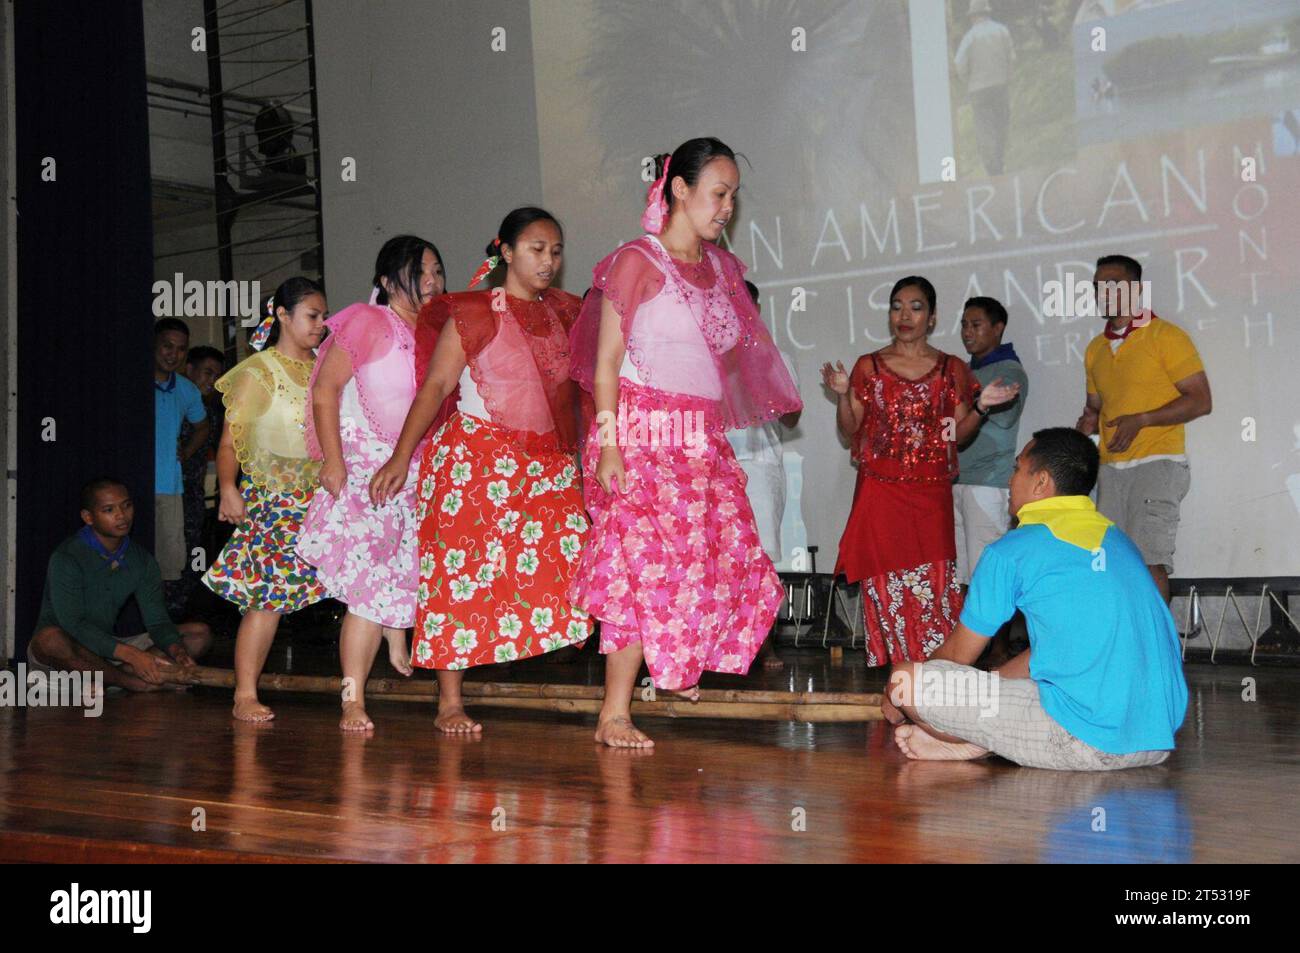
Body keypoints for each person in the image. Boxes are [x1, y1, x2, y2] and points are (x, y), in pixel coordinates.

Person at [569, 137, 803, 748]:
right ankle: (614, 712)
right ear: (679, 189)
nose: (727, 207)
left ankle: (678, 658)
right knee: (635, 567)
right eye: (718, 193)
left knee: (721, 559)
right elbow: (607, 362)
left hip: (697, 440)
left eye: (733, 197)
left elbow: (719, 364)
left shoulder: (723, 270)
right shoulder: (636, 260)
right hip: (640, 434)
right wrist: (612, 444)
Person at [370, 207, 593, 733]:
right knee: (460, 577)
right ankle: (449, 700)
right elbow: (435, 388)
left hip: (546, 465)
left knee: (575, 561)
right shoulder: (471, 311)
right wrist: (401, 456)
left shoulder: (566, 311)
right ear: (506, 252)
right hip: (475, 462)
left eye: (556, 251)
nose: (549, 261)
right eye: (536, 249)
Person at [884, 428, 1188, 770]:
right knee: (1012, 682)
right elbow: (1043, 655)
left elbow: (956, 656)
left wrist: (897, 698)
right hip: (1156, 741)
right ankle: (974, 744)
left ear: (1041, 482)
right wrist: (988, 686)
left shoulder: (1012, 550)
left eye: (1017, 469)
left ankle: (975, 737)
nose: (1011, 479)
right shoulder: (1118, 541)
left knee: (905, 680)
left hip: (1088, 744)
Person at [822, 276, 1019, 667]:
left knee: (934, 585)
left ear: (931, 318)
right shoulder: (870, 367)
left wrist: (981, 408)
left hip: (930, 493)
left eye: (915, 307)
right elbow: (850, 430)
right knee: (886, 586)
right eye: (897, 306)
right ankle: (900, 675)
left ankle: (933, 675)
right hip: (879, 493)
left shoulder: (952, 369)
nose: (904, 315)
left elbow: (957, 436)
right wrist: (843, 395)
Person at [298, 236, 449, 731]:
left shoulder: (434, 330)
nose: (431, 281)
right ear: (386, 281)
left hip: (413, 474)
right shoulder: (367, 321)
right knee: (365, 591)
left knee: (403, 573)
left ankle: (394, 631)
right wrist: (334, 463)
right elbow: (325, 389)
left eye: (436, 271)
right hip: (366, 473)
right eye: (419, 271)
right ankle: (352, 698)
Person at [203, 278, 329, 722]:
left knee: (361, 585)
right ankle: (244, 694)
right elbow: (228, 444)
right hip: (274, 499)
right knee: (266, 600)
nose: (320, 324)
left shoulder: (324, 367)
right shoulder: (259, 372)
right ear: (282, 316)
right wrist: (229, 488)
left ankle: (358, 691)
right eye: (312, 316)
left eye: (323, 316)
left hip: (321, 499)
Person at [1075, 254, 1212, 603]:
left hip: (1158, 463)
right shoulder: (1095, 349)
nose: (1104, 293)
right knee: (1113, 563)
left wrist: (1142, 420)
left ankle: (1159, 653)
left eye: (1113, 285)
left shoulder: (1166, 335)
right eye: (1098, 287)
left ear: (1136, 289)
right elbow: (1093, 410)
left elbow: (1200, 400)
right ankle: (1126, 649)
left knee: (1149, 560)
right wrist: (1075, 443)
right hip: (1110, 470)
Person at [27, 478, 212, 691]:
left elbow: (158, 622)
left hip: (109, 650)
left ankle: (108, 678)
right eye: (108, 509)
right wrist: (132, 655)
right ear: (88, 517)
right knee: (50, 639)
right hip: (71, 651)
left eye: (127, 505)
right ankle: (131, 682)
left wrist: (177, 651)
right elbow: (73, 625)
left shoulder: (141, 560)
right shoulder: (67, 557)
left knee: (199, 634)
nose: (121, 515)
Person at [727, 279, 800, 670]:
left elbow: (792, 416)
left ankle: (765, 644)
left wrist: (760, 374)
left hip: (760, 467)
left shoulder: (777, 356)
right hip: (714, 466)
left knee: (762, 559)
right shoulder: (705, 354)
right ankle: (718, 643)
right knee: (719, 558)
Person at [954, 296, 1027, 586]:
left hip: (987, 484)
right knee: (961, 578)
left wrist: (972, 399)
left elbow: (1006, 418)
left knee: (988, 580)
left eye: (976, 325)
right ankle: (967, 634)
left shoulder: (1009, 370)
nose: (967, 332)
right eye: (963, 325)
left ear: (998, 329)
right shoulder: (965, 371)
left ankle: (996, 635)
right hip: (957, 481)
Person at [154, 318, 209, 605]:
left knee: (165, 570)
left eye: (180, 349)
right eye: (167, 346)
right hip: (127, 487)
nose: (172, 354)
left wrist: (186, 452)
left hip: (168, 488)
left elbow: (202, 426)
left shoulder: (186, 389)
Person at [169, 345, 226, 618]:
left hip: (192, 496)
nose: (212, 380)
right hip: (166, 491)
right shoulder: (172, 401)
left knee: (190, 558)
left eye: (217, 375)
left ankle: (181, 618)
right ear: (189, 370)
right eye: (207, 372)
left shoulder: (214, 413)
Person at [953, 0, 1015, 176]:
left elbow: (959, 64)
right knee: (1001, 124)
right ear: (988, 13)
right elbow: (1011, 57)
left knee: (984, 128)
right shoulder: (1001, 31)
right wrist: (1008, 77)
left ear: (973, 16)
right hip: (1000, 85)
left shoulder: (970, 37)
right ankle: (1000, 161)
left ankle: (992, 167)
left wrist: (968, 80)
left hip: (978, 89)